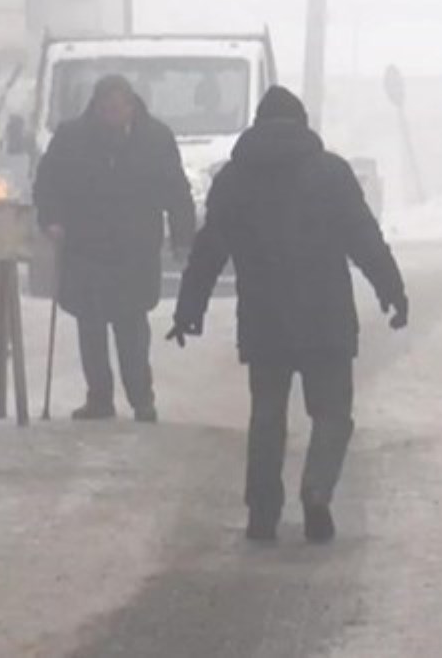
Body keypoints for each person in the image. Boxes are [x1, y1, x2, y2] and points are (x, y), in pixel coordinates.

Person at [168, 86, 408, 544]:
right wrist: (391, 290)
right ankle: (317, 491)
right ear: (302, 123)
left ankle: (262, 512)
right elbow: (364, 238)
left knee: (267, 417)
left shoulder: (234, 179)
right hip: (326, 315)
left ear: (258, 124)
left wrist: (189, 308)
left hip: (264, 314)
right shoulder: (331, 173)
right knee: (332, 414)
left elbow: (209, 248)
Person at [33, 75, 195, 423]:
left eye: (118, 108)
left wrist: (183, 238)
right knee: (90, 326)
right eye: (105, 108)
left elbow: (176, 191)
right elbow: (47, 184)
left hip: (134, 251)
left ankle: (142, 399)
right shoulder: (72, 137)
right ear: (96, 106)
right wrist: (52, 220)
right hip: (85, 247)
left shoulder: (155, 139)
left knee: (132, 327)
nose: (112, 115)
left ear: (131, 106)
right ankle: (99, 399)